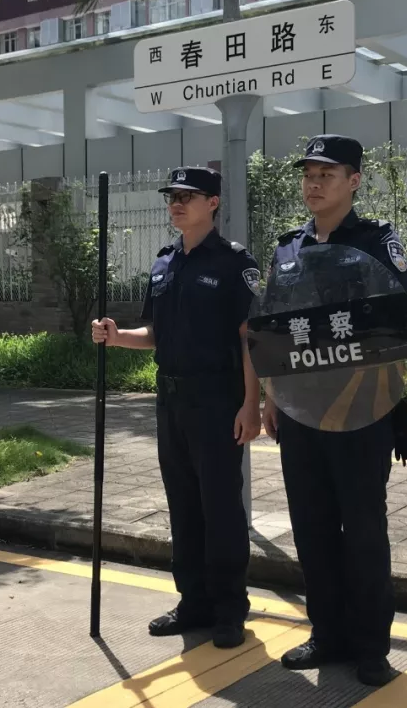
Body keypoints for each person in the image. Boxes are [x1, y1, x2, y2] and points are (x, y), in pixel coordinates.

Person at [262, 134, 407, 687]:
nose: (314, 184)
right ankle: (327, 634)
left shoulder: (376, 243)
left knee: (364, 531)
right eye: (308, 175)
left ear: (354, 181)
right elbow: (275, 328)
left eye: (326, 174)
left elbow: (395, 324)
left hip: (362, 410)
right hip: (302, 413)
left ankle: (371, 647)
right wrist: (272, 397)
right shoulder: (287, 249)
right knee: (312, 528)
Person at [92, 166, 262, 649]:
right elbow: (157, 334)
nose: (177, 204)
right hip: (170, 401)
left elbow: (249, 338)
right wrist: (116, 336)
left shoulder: (234, 263)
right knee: (183, 505)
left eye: (188, 196)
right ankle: (193, 601)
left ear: (213, 203)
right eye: (172, 196)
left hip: (217, 401)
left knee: (221, 508)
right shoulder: (165, 263)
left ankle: (228, 608)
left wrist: (251, 403)